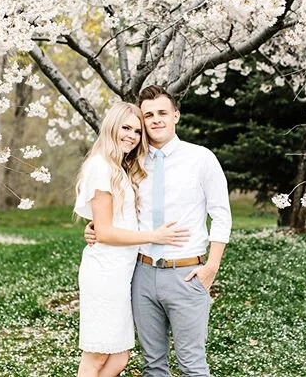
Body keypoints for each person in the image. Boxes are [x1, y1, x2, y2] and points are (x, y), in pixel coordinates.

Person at [86, 86, 232, 376]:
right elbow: (113, 208)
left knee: (192, 364)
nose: (156, 120)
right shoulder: (130, 162)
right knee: (153, 365)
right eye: (148, 115)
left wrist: (211, 267)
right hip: (141, 274)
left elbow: (222, 216)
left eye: (162, 112)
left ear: (175, 115)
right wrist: (94, 229)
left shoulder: (201, 158)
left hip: (186, 274)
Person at [74, 102, 190, 377]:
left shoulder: (118, 168)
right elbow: (104, 231)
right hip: (104, 273)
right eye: (125, 128)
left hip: (121, 273)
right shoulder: (101, 167)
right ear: (111, 126)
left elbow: (106, 224)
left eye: (137, 131)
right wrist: (154, 235)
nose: (131, 135)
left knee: (119, 358)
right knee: (97, 355)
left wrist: (97, 228)